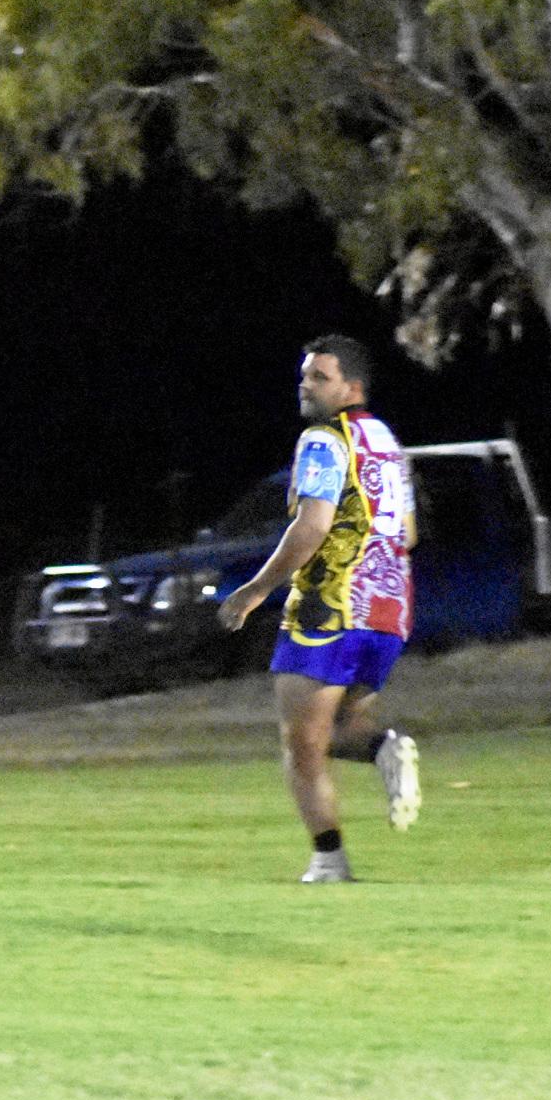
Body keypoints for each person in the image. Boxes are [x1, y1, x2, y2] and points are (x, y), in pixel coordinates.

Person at [218, 334, 424, 883]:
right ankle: (383, 748)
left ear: (351, 387)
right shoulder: (384, 440)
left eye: (320, 378)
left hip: (328, 608)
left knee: (301, 741)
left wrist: (255, 590)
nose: (306, 386)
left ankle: (329, 859)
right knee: (337, 726)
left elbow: (311, 525)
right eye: (305, 375)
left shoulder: (322, 441)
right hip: (389, 609)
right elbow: (407, 531)